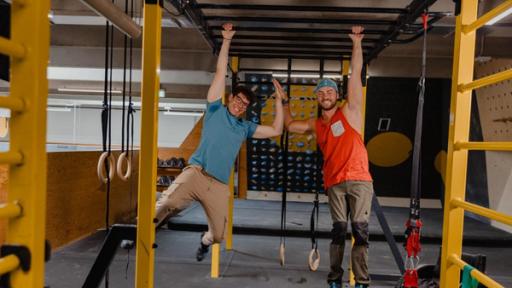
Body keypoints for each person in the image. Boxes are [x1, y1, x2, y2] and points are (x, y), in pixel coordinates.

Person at [154, 23, 287, 261]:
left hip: (218, 185)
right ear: (230, 97)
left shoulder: (245, 127)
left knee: (218, 235)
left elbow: (277, 129)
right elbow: (219, 73)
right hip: (196, 172)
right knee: (167, 202)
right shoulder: (215, 109)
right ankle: (138, 233)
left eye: (245, 104)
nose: (240, 105)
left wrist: (279, 100)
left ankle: (204, 243)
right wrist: (226, 40)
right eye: (238, 99)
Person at [277, 26, 372, 288]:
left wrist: (356, 43)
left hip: (359, 179)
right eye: (321, 93)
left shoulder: (350, 111)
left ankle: (362, 281)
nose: (325, 95)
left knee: (361, 233)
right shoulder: (316, 124)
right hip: (334, 182)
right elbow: (290, 126)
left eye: (329, 91)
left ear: (336, 95)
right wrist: (284, 101)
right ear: (317, 99)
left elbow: (355, 75)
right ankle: (334, 279)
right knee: (339, 232)